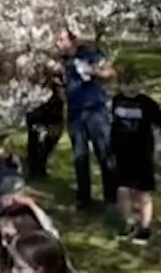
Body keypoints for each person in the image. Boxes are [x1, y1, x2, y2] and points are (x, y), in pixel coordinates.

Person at [110, 64, 161, 245]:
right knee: (122, 190)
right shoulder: (116, 101)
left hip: (142, 154)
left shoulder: (148, 104)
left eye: (134, 83)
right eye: (126, 83)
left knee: (143, 193)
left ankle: (145, 228)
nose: (130, 87)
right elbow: (112, 125)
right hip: (122, 154)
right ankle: (129, 223)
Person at [55, 24, 118, 212]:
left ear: (72, 40)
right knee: (79, 156)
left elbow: (111, 73)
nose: (57, 44)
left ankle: (112, 198)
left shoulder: (90, 54)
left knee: (104, 152)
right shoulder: (62, 61)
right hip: (75, 113)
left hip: (95, 111)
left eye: (61, 39)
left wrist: (92, 72)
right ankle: (84, 198)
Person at [22, 50, 64, 180]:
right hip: (37, 100)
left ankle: (39, 164)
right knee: (34, 136)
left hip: (54, 102)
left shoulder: (60, 66)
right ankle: (34, 168)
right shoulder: (33, 61)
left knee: (53, 134)